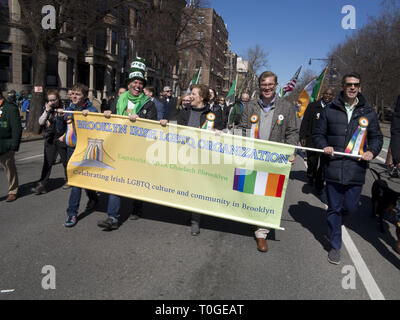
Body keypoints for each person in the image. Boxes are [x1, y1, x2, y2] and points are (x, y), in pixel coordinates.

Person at [313, 72, 383, 265]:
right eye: (349, 84)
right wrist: (323, 146)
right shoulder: (330, 109)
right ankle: (335, 245)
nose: (353, 87)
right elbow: (318, 134)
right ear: (342, 86)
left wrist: (372, 151)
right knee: (334, 208)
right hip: (333, 166)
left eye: (356, 84)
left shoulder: (368, 112)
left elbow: (377, 138)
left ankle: (336, 222)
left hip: (356, 169)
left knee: (350, 207)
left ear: (360, 87)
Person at [98, 57, 165, 231]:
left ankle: (137, 207)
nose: (137, 85)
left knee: (135, 182)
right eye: (134, 82)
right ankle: (112, 218)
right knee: (116, 181)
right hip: (118, 147)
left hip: (137, 149)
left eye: (140, 83)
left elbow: (151, 127)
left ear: (143, 86)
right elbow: (109, 119)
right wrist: (105, 114)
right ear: (129, 84)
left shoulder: (149, 104)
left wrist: (140, 120)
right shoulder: (118, 101)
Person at [237, 71, 298, 253]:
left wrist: (290, 151)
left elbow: (293, 132)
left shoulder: (286, 107)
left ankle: (262, 233)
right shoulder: (250, 106)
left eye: (270, 84)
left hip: (273, 159)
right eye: (264, 85)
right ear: (259, 86)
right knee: (248, 191)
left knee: (268, 195)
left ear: (276, 85)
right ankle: (252, 219)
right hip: (251, 157)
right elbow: (241, 127)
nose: (267, 88)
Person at [178, 84, 223, 235]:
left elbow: (221, 131)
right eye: (190, 93)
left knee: (197, 188)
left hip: (203, 158)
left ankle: (195, 220)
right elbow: (178, 130)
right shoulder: (185, 112)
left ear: (202, 97)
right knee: (187, 187)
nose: (190, 96)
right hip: (185, 155)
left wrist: (218, 133)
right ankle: (189, 214)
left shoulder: (213, 113)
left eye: (194, 94)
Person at [58, 83, 99, 228]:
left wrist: (89, 117)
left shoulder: (91, 109)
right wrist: (59, 117)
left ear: (84, 96)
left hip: (85, 149)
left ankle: (72, 213)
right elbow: (60, 129)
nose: (74, 96)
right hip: (71, 149)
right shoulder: (68, 109)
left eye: (78, 94)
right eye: (72, 94)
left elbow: (97, 130)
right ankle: (93, 199)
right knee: (81, 179)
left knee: (76, 182)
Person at [31, 90, 68, 195]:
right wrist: (47, 111)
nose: (52, 102)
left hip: (61, 137)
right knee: (48, 162)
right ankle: (42, 184)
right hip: (50, 139)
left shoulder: (64, 107)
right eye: (50, 100)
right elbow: (40, 122)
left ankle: (69, 180)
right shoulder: (48, 109)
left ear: (58, 98)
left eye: (54, 100)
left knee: (65, 161)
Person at [299, 88, 335, 194]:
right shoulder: (312, 106)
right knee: (312, 161)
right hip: (312, 139)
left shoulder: (335, 108)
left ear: (333, 96)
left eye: (330, 94)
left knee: (324, 165)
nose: (328, 96)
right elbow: (305, 122)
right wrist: (302, 137)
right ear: (322, 94)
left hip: (327, 142)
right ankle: (311, 176)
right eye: (326, 93)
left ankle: (319, 184)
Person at [0, 90, 22, 202]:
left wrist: (14, 145)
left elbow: (16, 128)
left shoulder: (10, 109)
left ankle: (12, 190)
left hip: (5, 145)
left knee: (9, 169)